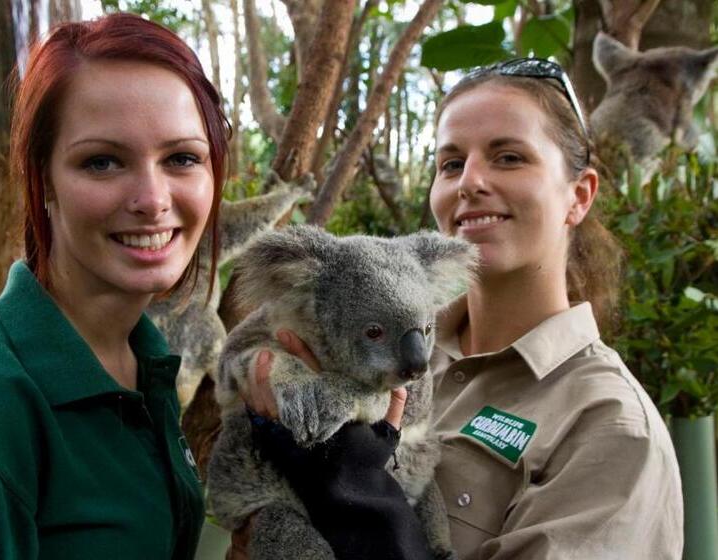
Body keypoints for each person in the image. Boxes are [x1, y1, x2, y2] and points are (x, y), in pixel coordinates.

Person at [233, 58, 683, 559]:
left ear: (579, 196)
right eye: (450, 164)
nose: (469, 181)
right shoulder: (369, 338)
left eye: (508, 157)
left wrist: (348, 481)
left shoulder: (608, 426)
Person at [0, 13, 229, 559]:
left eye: (181, 158)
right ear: (42, 179)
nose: (152, 198)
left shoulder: (143, 366)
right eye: (102, 161)